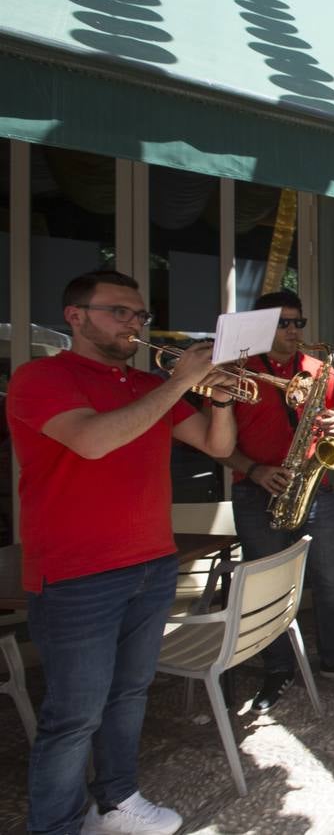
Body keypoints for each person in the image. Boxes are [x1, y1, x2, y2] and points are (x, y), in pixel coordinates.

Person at [7, 270, 237, 835]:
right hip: (77, 574)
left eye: (140, 316)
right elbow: (92, 440)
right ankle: (57, 824)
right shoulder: (42, 377)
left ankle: (116, 800)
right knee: (73, 716)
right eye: (119, 312)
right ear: (76, 316)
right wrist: (180, 384)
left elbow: (216, 445)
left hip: (151, 561)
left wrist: (222, 400)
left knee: (130, 693)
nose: (133, 324)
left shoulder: (142, 386)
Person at [222, 291, 334, 715]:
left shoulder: (317, 368)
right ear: (261, 326)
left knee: (329, 582)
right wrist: (254, 470)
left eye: (298, 323)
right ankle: (278, 667)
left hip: (314, 489)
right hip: (257, 491)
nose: (293, 331)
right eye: (283, 323)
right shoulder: (238, 373)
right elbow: (216, 443)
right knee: (266, 587)